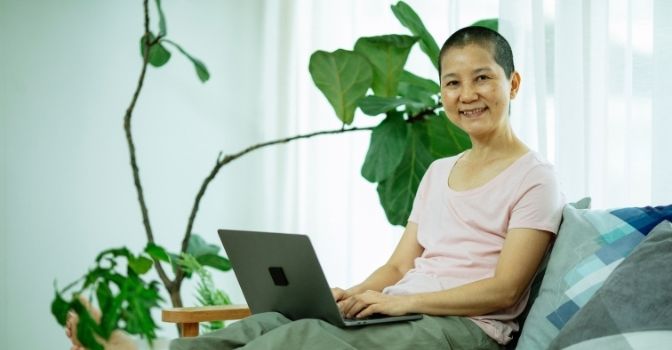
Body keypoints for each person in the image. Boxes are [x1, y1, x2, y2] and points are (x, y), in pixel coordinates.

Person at [67, 26, 564, 350]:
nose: (467, 94)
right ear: (442, 92)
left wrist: (402, 302)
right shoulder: (438, 172)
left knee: (306, 338)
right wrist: (354, 294)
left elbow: (506, 288)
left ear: (513, 84)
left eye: (482, 78)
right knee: (271, 322)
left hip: (467, 332)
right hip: (404, 315)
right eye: (453, 83)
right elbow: (398, 266)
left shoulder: (534, 177)